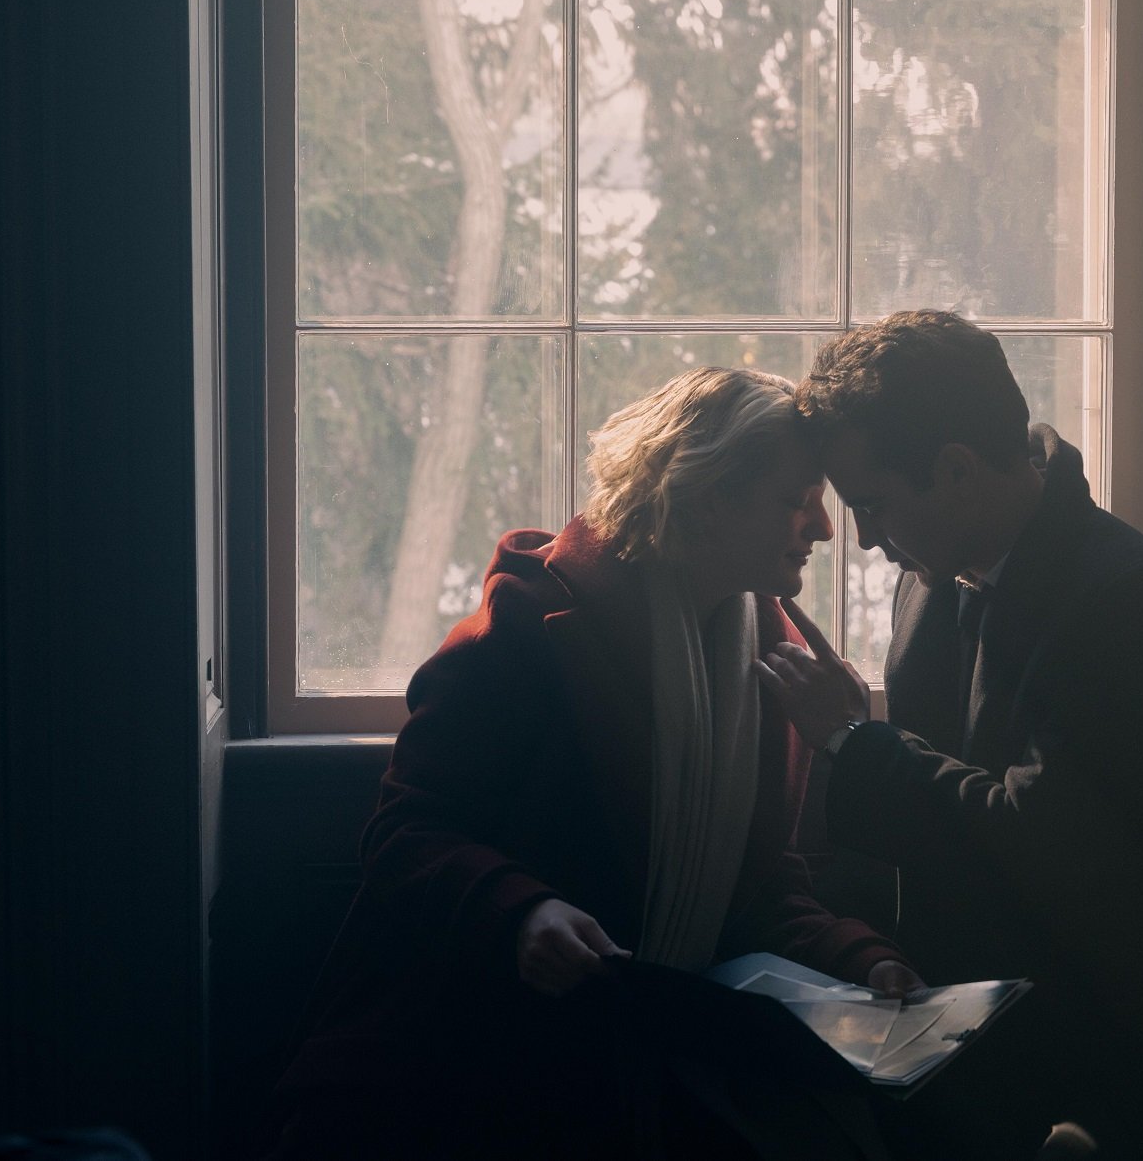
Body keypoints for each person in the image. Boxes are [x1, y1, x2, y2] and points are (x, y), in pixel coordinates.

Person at [262, 368, 921, 1160]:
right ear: (708, 498)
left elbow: (752, 891)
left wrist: (864, 959)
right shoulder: (530, 626)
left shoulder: (775, 662)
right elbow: (406, 832)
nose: (821, 526)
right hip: (475, 1061)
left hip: (642, 1060)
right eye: (797, 497)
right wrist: (523, 910)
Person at [758, 311, 1143, 1159]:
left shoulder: (1136, 603)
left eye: (871, 505)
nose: (865, 537)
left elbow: (1048, 838)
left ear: (954, 471)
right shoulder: (932, 578)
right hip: (981, 1041)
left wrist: (854, 739)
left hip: (1142, 1063)